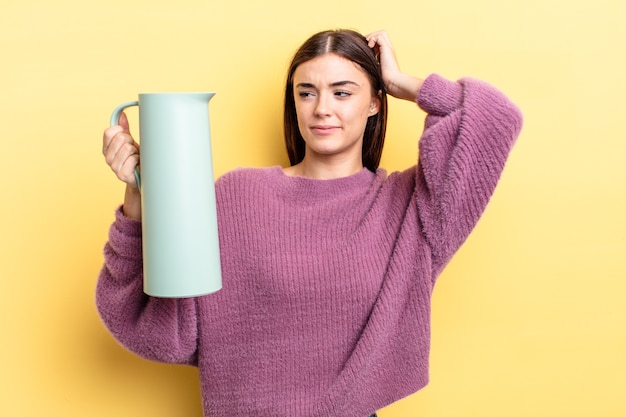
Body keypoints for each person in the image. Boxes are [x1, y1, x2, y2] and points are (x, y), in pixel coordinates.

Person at [98, 29, 523, 417]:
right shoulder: (234, 197)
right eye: (307, 93)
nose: (322, 109)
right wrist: (139, 194)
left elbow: (495, 118)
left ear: (374, 102)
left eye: (343, 93)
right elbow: (152, 325)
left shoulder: (411, 210)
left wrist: (402, 83)